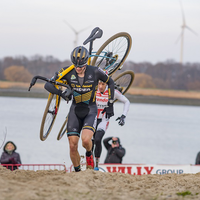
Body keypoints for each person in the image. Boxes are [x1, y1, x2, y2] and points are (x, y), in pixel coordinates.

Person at [44, 46, 115, 172]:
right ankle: (77, 172)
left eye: (81, 66)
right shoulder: (66, 71)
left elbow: (111, 82)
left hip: (90, 110)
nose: (78, 68)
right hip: (75, 110)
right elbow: (48, 84)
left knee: (86, 141)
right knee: (72, 145)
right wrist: (61, 94)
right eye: (75, 65)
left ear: (86, 62)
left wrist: (110, 104)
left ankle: (89, 154)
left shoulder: (95, 71)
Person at [93, 80, 130, 169]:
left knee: (98, 140)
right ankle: (88, 160)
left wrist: (123, 116)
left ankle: (96, 164)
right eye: (99, 84)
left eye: (103, 84)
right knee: (90, 142)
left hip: (103, 120)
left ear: (106, 84)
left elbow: (126, 102)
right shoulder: (93, 89)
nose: (100, 86)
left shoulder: (112, 91)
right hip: (92, 119)